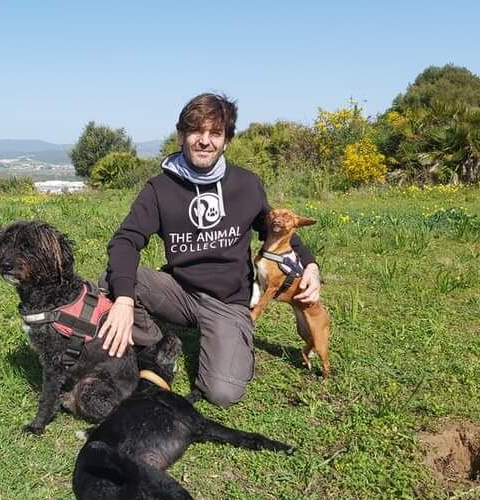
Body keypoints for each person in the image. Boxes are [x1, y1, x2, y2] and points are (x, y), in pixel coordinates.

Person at [98, 93, 321, 407]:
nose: (204, 141)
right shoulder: (159, 189)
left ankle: (228, 340)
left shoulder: (247, 185)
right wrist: (122, 299)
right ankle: (158, 346)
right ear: (181, 136)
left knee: (223, 393)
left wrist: (310, 265)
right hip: (180, 291)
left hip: (228, 300)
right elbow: (126, 240)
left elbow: (276, 230)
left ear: (226, 140)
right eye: (196, 132)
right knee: (110, 281)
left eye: (215, 133)